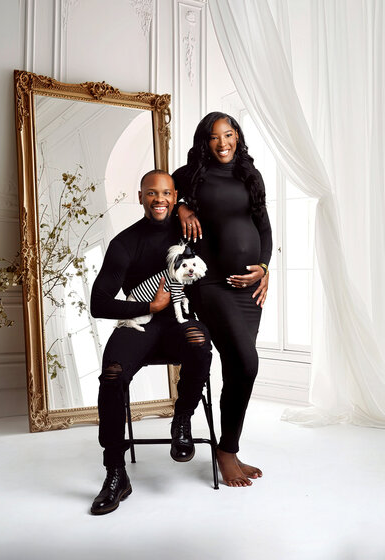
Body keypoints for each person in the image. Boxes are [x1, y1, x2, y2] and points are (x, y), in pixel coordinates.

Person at [90, 170, 212, 514]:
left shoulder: (189, 231)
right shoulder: (125, 243)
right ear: (141, 196)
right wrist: (149, 306)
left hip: (177, 325)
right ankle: (115, 472)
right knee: (112, 374)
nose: (160, 199)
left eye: (167, 193)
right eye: (152, 193)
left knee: (200, 343)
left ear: (175, 196)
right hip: (139, 325)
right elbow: (98, 303)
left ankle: (182, 418)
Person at [172, 112, 272, 487]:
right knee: (247, 363)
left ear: (237, 136)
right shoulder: (188, 175)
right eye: (214, 137)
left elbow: (264, 228)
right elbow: (158, 202)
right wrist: (182, 207)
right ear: (204, 141)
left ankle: (229, 448)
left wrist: (264, 267)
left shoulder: (250, 174)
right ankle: (226, 453)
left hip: (248, 289)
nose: (223, 142)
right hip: (209, 282)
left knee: (238, 368)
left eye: (228, 134)